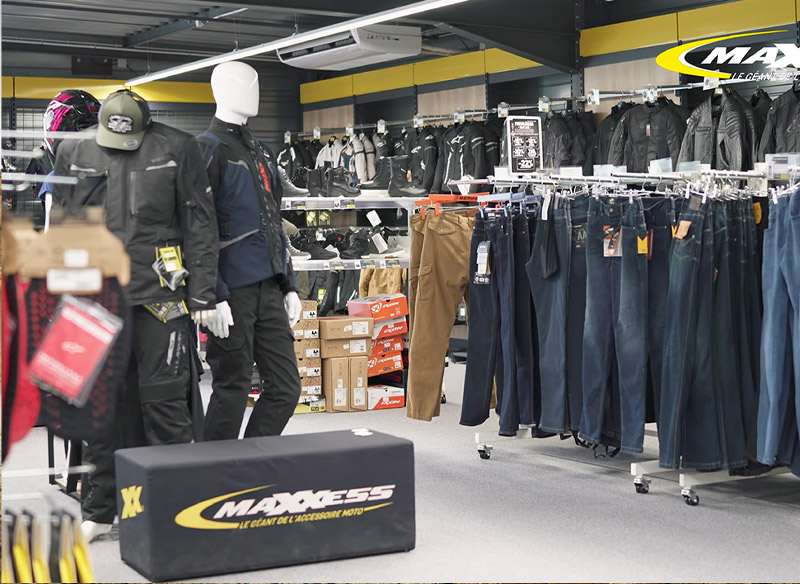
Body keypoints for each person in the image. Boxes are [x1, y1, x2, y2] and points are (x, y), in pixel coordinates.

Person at [52, 89, 220, 541]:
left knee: (165, 403)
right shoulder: (73, 152)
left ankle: (174, 505)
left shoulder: (177, 147)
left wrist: (203, 296)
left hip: (159, 297)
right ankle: (100, 509)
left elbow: (200, 223)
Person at [197, 61, 302, 441]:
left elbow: (274, 221)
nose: (253, 91)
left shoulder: (262, 153)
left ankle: (250, 461)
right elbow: (196, 227)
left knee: (286, 387)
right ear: (220, 90)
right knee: (232, 388)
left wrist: (289, 284)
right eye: (244, 83)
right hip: (231, 290)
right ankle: (213, 470)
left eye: (256, 83)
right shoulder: (205, 150)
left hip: (269, 285)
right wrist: (211, 293)